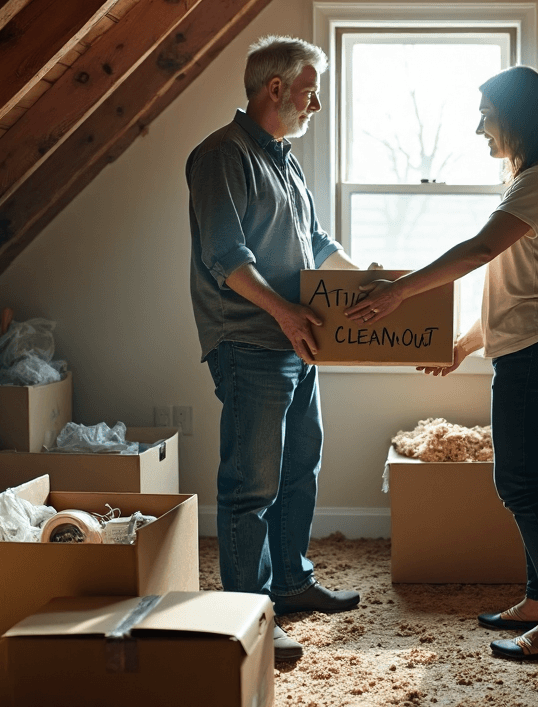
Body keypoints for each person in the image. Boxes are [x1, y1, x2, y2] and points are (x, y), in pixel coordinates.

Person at [345, 65, 538, 661]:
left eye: (486, 114)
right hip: (531, 346)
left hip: (536, 352)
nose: (478, 127)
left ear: (515, 116)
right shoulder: (533, 181)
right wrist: (463, 345)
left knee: (521, 484)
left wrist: (399, 291)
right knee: (534, 482)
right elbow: (515, 287)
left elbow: (480, 251)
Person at [186, 35, 368, 662]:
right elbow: (227, 259)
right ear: (275, 88)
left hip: (299, 339)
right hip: (250, 341)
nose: (315, 105)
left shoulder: (284, 160)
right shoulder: (221, 156)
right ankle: (250, 614)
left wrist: (369, 285)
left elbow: (316, 244)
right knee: (250, 486)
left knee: (299, 470)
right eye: (310, 91)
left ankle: (290, 582)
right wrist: (289, 314)